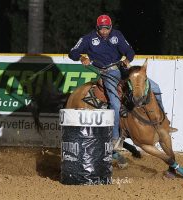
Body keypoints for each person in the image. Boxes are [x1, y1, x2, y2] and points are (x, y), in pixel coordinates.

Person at [69, 14, 177, 149]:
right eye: (102, 29)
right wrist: (81, 57)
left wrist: (127, 60)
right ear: (97, 28)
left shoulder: (117, 35)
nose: (104, 31)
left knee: (155, 87)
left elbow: (129, 51)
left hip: (122, 69)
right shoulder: (88, 39)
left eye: (107, 28)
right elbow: (72, 52)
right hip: (106, 73)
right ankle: (115, 137)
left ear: (110, 27)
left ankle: (164, 123)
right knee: (114, 103)